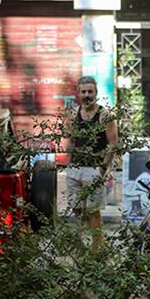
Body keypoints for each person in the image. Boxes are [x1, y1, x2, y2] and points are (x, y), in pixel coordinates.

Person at [64, 76, 119, 240]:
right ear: (78, 93)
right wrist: (68, 165)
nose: (87, 95)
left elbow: (113, 144)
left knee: (93, 211)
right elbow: (71, 141)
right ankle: (81, 243)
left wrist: (103, 168)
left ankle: (97, 249)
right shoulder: (73, 114)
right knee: (76, 208)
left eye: (90, 91)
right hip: (75, 168)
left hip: (94, 169)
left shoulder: (105, 115)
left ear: (96, 92)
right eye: (84, 91)